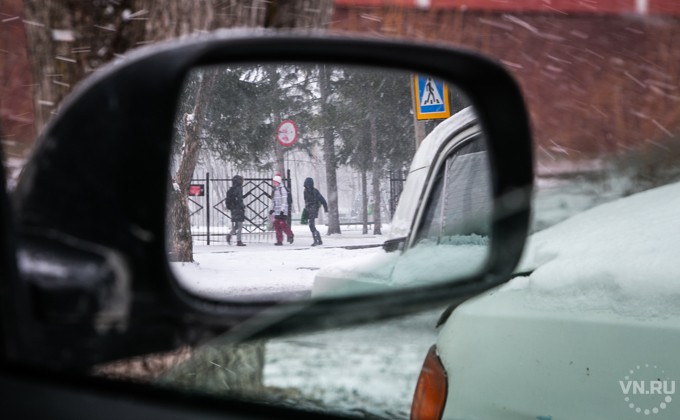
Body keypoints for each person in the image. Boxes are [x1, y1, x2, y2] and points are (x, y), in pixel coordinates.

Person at [303, 177, 328, 246]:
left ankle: (316, 240)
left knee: (311, 225)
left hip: (313, 209)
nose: (307, 186)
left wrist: (326, 209)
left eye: (308, 184)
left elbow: (322, 200)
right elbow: (306, 201)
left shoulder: (315, 191)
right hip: (309, 209)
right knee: (311, 225)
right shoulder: (305, 191)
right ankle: (318, 240)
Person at [270, 175, 294, 246]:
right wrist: (272, 209)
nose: (274, 183)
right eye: (273, 182)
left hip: (282, 211)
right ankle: (279, 240)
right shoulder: (275, 190)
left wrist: (282, 210)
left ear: (278, 182)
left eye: (275, 182)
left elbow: (284, 201)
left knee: (282, 224)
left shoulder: (282, 189)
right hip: (276, 210)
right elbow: (273, 201)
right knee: (277, 226)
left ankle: (290, 234)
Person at [225, 175, 246, 246]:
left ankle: (230, 234)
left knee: (237, 225)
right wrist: (242, 206)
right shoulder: (239, 189)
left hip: (233, 209)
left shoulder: (231, 189)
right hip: (238, 208)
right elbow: (239, 199)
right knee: (240, 225)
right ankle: (239, 241)